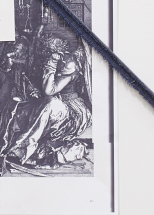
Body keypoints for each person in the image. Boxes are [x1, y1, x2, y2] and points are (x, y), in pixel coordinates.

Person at [9, 38, 92, 167]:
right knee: (21, 109)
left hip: (72, 111)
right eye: (45, 51)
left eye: (49, 51)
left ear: (59, 51)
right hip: (57, 104)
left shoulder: (69, 63)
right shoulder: (47, 59)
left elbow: (49, 90)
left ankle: (23, 149)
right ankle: (12, 146)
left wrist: (52, 63)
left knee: (49, 104)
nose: (45, 54)